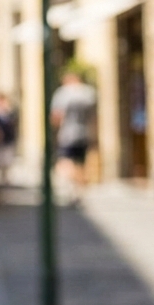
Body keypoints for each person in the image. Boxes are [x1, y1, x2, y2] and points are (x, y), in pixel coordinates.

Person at [51, 71, 97, 205]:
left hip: (68, 134)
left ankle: (72, 188)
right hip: (84, 132)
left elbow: (56, 115)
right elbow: (94, 116)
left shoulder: (63, 93)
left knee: (65, 162)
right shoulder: (88, 93)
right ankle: (80, 190)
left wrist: (55, 131)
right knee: (81, 163)